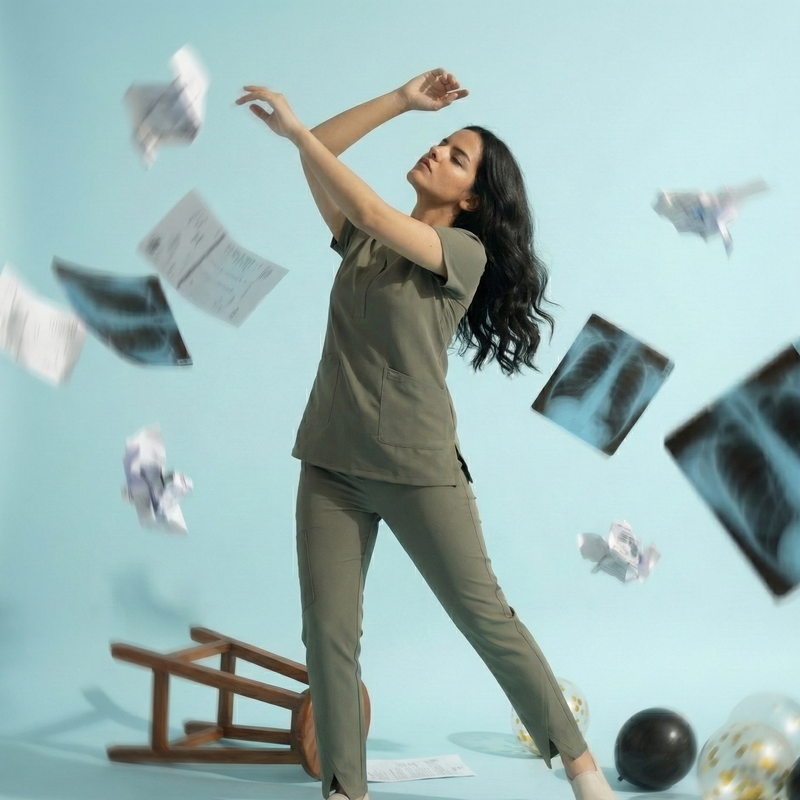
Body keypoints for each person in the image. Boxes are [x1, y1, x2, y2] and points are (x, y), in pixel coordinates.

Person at [236, 69, 618, 800]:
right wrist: (401, 102)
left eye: (456, 155)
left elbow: (376, 211)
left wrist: (296, 131)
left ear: (471, 198)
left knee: (485, 619)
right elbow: (317, 154)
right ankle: (346, 790)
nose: (437, 151)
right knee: (328, 634)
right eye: (438, 141)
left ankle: (580, 766)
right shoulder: (360, 241)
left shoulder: (461, 255)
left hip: (418, 467)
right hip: (330, 462)